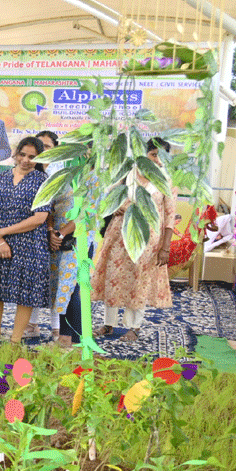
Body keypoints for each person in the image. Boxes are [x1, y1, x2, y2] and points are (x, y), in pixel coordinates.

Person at [91, 138, 176, 342]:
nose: (157, 160)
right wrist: (115, 207)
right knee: (113, 277)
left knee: (139, 281)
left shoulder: (165, 181)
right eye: (153, 154)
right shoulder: (127, 174)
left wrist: (165, 247)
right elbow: (105, 199)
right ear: (142, 154)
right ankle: (108, 324)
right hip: (118, 235)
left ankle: (134, 327)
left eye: (162, 156)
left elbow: (170, 215)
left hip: (148, 239)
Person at [0, 136, 50, 346]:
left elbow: (40, 218)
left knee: (25, 293)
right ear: (16, 153)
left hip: (30, 243)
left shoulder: (43, 181)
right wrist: (0, 239)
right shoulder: (1, 177)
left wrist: (2, 232)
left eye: (32, 157)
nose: (26, 160)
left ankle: (14, 342)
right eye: (22, 154)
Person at [37, 130, 83, 346]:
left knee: (71, 287)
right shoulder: (45, 174)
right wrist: (50, 231)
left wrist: (62, 233)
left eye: (47, 146)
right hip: (54, 237)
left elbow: (87, 212)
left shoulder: (81, 174)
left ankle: (73, 338)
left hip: (77, 237)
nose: (43, 150)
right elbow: (48, 207)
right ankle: (65, 336)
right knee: (59, 288)